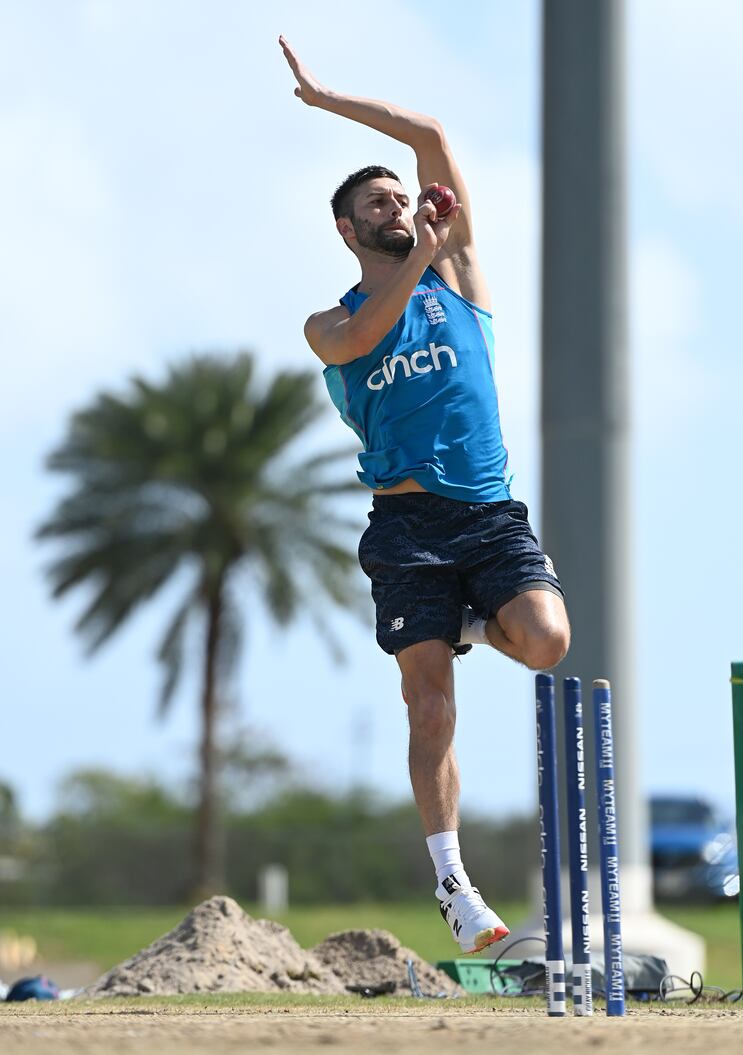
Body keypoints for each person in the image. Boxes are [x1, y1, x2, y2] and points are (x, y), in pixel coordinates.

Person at [280, 36, 570, 954]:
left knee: (547, 639)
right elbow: (365, 335)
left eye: (401, 197)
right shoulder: (329, 321)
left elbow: (434, 133)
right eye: (377, 203)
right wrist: (424, 249)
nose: (397, 205)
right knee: (429, 701)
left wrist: (329, 101)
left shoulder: (457, 275)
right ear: (348, 230)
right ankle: (454, 885)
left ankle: (471, 620)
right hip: (405, 522)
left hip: (488, 515)